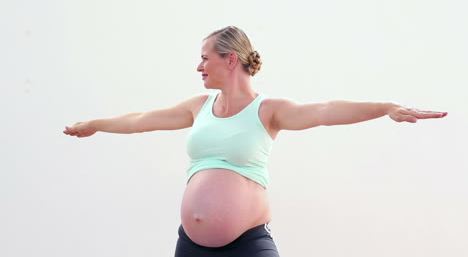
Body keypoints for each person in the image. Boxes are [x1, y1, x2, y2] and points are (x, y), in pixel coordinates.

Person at [63, 26, 448, 256]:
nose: (198, 66)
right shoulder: (198, 107)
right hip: (191, 246)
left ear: (230, 59)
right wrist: (95, 123)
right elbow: (142, 120)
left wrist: (385, 107)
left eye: (204, 58)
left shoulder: (268, 111)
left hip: (248, 245)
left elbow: (326, 110)